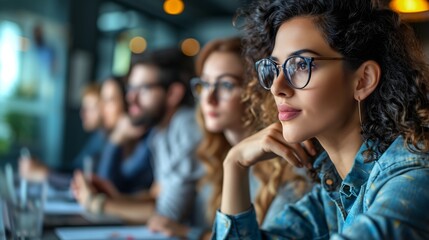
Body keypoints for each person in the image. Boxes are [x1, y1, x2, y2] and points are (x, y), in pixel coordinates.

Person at [213, 0, 429, 239]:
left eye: (301, 65)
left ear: (363, 80)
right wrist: (234, 163)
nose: (277, 87)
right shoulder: (334, 190)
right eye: (274, 68)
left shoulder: (414, 179)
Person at [147, 37, 313, 240]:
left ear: (256, 92)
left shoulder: (289, 159)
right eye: (206, 84)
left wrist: (190, 233)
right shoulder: (212, 154)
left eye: (226, 85)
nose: (209, 98)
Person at [72, 47, 203, 224]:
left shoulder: (186, 127)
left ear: (173, 94)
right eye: (131, 88)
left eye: (143, 89)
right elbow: (156, 196)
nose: (130, 98)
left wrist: (96, 203)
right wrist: (114, 197)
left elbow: (169, 215)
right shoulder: (160, 131)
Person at [19, 83, 105, 188]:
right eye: (84, 107)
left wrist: (45, 174)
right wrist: (43, 168)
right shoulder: (98, 137)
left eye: (91, 108)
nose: (83, 113)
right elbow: (76, 169)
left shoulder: (107, 142)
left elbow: (89, 183)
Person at [96, 77, 153, 194]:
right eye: (102, 100)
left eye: (110, 100)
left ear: (127, 104)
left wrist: (115, 140)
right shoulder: (104, 134)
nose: (102, 109)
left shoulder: (147, 140)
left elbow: (106, 188)